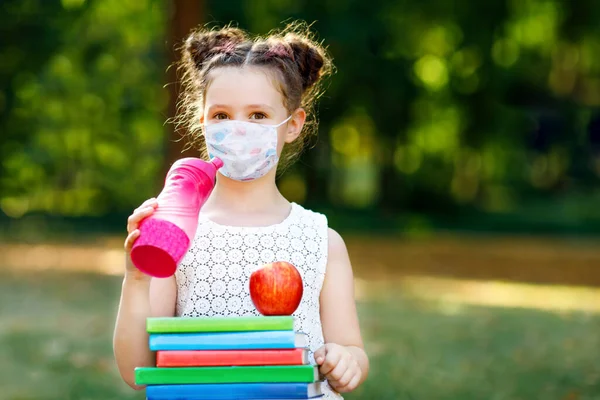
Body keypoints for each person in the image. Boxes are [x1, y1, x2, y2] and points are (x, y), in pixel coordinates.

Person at [113, 21, 369, 399]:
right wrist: (137, 278)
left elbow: (351, 348)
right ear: (201, 121)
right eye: (221, 115)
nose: (237, 129)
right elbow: (139, 371)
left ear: (293, 125)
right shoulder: (177, 235)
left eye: (258, 116)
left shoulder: (321, 240)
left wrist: (345, 360)